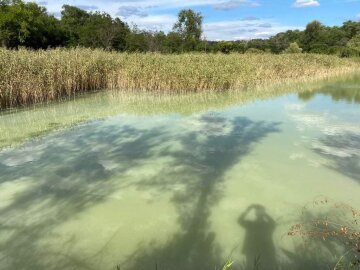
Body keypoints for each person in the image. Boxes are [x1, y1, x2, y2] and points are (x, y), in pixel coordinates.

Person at [238, 204, 277, 270]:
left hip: (258, 250)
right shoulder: (266, 225)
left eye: (259, 211)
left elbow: (240, 220)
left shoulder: (251, 224)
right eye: (257, 211)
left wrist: (248, 210)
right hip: (260, 250)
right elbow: (273, 223)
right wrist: (263, 213)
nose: (258, 213)